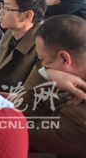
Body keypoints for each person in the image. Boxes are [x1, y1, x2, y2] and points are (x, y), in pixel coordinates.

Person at [20, 15, 86, 156]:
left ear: (64, 59)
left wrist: (45, 75)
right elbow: (61, 105)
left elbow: (19, 128)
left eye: (43, 59)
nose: (43, 65)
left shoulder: (80, 119)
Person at [0, 0, 46, 91]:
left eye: (7, 8)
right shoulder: (10, 32)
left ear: (27, 15)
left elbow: (31, 93)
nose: (0, 12)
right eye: (2, 6)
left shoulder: (44, 48)